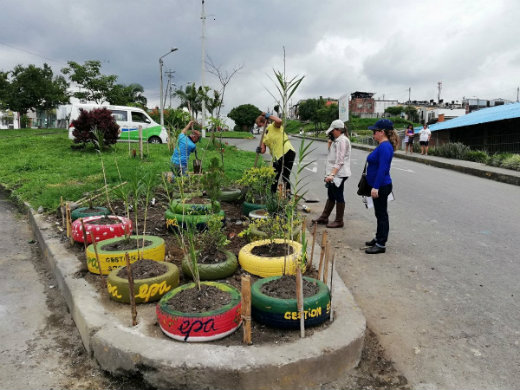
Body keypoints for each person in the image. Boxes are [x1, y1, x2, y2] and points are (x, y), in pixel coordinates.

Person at [365, 119, 399, 254]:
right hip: (378, 184)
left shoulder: (385, 147)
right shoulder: (382, 145)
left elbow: (383, 169)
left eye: (375, 131)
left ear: (382, 132)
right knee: (379, 213)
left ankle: (381, 244)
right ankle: (378, 237)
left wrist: (376, 187)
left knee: (382, 214)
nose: (373, 134)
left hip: (382, 185)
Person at [312, 119, 351, 228]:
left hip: (339, 174)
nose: (331, 133)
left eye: (333, 131)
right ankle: (324, 217)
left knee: (338, 195)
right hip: (334, 173)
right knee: (331, 194)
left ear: (338, 130)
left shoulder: (342, 141)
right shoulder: (337, 140)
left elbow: (340, 160)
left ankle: (339, 220)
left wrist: (332, 175)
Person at [256, 112, 296, 194]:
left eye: (260, 125)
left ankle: (287, 195)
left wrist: (268, 116)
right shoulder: (264, 135)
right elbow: (263, 150)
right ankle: (273, 196)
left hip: (287, 151)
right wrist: (259, 150)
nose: (259, 127)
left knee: (285, 175)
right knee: (275, 177)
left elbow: (279, 121)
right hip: (277, 156)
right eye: (258, 126)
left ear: (265, 122)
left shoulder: (273, 126)